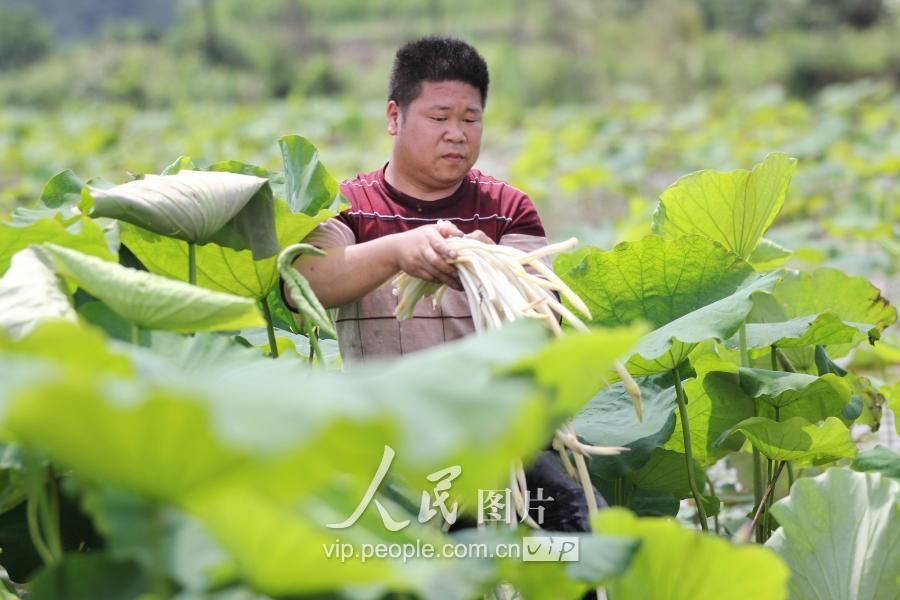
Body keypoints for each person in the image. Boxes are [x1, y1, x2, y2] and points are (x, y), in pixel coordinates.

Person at [287, 36, 551, 363]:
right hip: (378, 412)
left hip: (484, 410)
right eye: (439, 118)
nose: (457, 134)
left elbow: (545, 322)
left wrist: (488, 265)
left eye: (470, 119)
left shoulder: (507, 209)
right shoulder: (348, 204)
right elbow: (301, 285)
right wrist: (398, 252)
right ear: (395, 118)